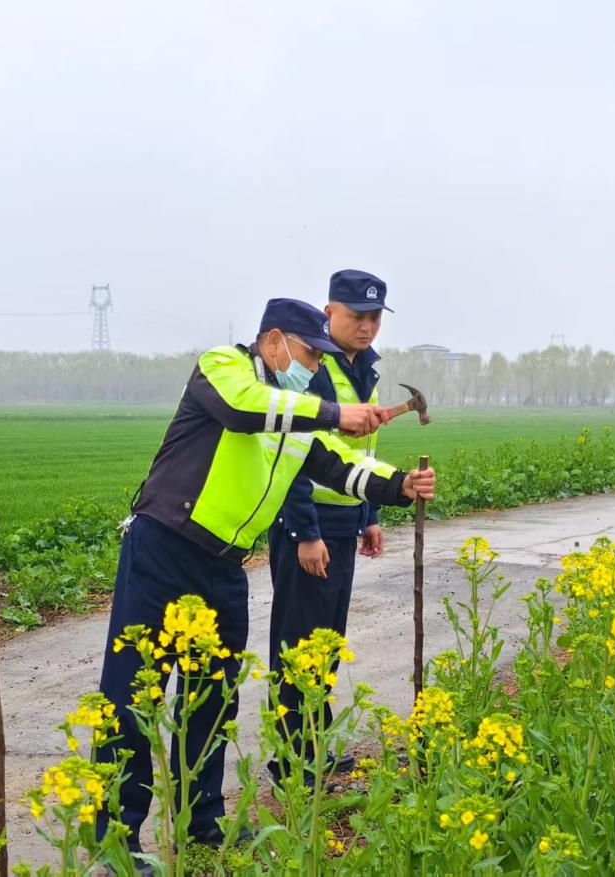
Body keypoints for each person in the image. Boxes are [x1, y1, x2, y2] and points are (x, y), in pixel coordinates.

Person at [95, 297, 436, 851]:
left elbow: (334, 465)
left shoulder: (295, 410)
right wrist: (332, 412)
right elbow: (243, 411)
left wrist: (398, 485)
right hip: (164, 547)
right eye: (309, 353)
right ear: (273, 341)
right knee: (134, 695)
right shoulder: (224, 368)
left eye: (324, 359)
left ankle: (200, 826)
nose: (316, 367)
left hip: (225, 566)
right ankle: (116, 837)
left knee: (211, 700)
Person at [267, 269, 392, 784]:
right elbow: (290, 453)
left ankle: (313, 747)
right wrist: (305, 533)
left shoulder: (365, 369)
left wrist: (370, 516)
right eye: (356, 316)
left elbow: (360, 452)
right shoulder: (310, 368)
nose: (366, 327)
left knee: (327, 639)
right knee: (299, 642)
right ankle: (290, 760)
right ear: (329, 312)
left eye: (374, 318)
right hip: (308, 526)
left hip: (344, 520)